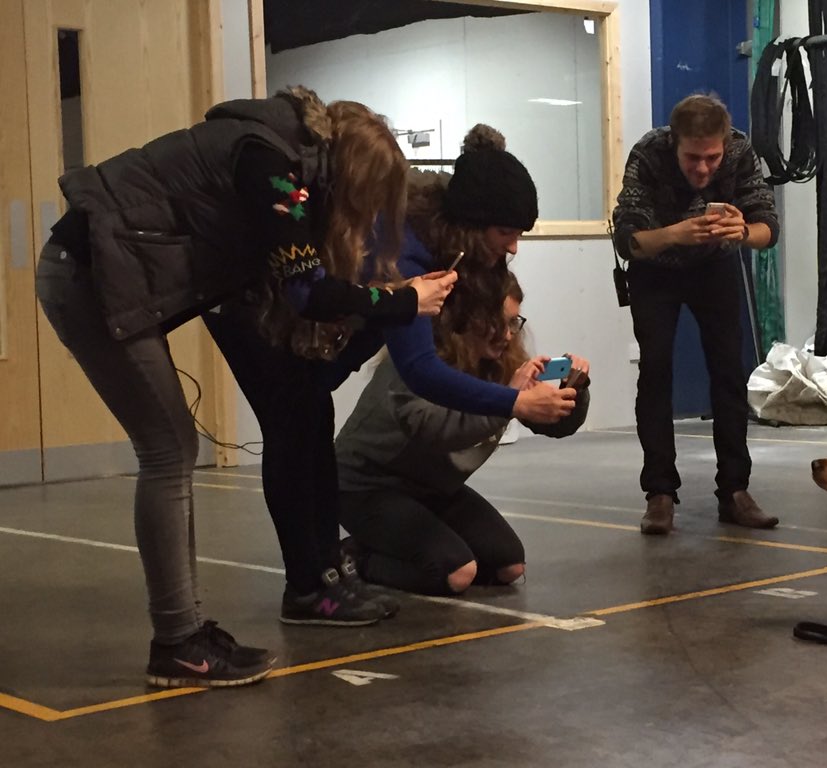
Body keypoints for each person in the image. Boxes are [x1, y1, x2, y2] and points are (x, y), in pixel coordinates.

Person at [34, 86, 456, 688]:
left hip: (98, 269)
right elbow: (308, 291)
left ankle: (187, 635)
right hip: (90, 272)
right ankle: (179, 642)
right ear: (350, 176)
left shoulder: (278, 152)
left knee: (176, 446)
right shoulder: (270, 166)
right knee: (169, 450)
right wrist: (406, 300)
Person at [202, 122, 578, 626]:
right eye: (507, 234)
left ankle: (323, 577)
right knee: (297, 427)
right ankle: (311, 587)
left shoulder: (454, 250)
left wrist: (562, 393)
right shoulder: (404, 244)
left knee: (309, 419)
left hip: (321, 334)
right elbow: (418, 370)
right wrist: (511, 403)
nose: (513, 248)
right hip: (255, 308)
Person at [334, 272, 590, 595]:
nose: (508, 335)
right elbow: (435, 431)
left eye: (514, 322)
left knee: (509, 565)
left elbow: (554, 426)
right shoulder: (417, 361)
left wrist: (574, 392)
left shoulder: (500, 360)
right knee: (457, 572)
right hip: (366, 486)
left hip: (431, 486)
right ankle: (356, 557)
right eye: (499, 322)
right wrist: (510, 401)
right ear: (469, 317)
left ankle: (399, 542)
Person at [612, 93, 780, 535]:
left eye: (712, 158)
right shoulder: (648, 153)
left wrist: (743, 231)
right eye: (692, 158)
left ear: (725, 145)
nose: (703, 169)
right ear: (674, 143)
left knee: (729, 374)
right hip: (655, 270)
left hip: (715, 266)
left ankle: (735, 491)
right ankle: (660, 493)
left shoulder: (740, 150)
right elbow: (628, 240)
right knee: (655, 372)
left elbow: (769, 226)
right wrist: (676, 233)